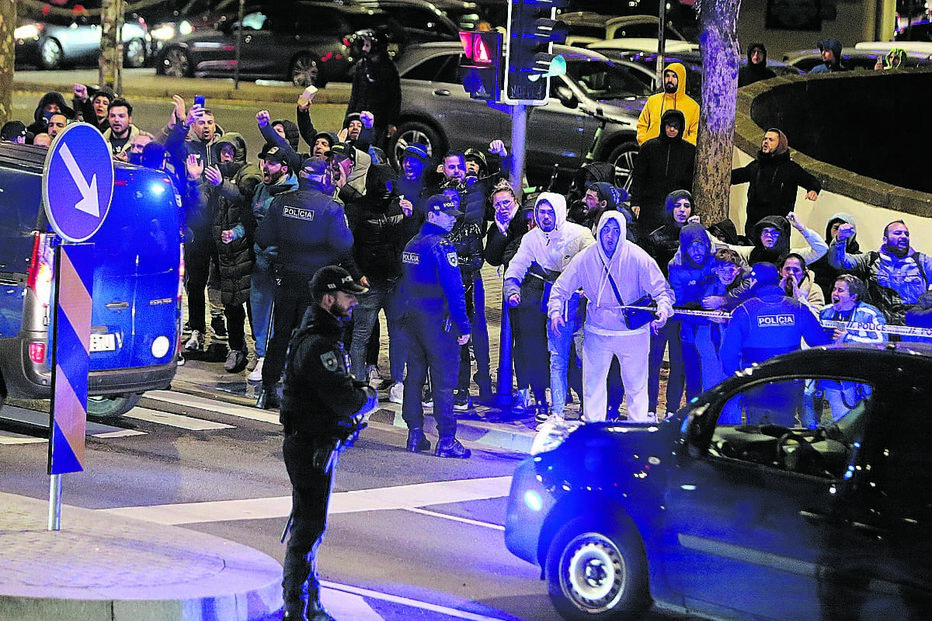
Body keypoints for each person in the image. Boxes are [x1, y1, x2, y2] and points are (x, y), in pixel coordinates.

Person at [279, 265, 376, 621]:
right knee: (309, 526)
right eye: (348, 297)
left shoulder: (322, 336)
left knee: (310, 523)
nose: (353, 303)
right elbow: (344, 397)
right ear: (328, 298)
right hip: (310, 446)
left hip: (315, 443)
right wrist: (367, 396)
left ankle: (309, 603)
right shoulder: (319, 344)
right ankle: (296, 606)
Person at [548, 211, 673, 423]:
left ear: (623, 232)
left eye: (616, 231)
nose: (610, 236)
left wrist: (663, 310)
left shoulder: (638, 257)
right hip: (597, 331)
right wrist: (555, 311)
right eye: (606, 230)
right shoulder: (586, 257)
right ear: (599, 231)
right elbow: (561, 287)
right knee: (593, 385)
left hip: (632, 333)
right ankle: (593, 429)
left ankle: (638, 430)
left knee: (636, 386)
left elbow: (662, 291)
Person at [255, 158, 355, 409]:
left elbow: (263, 237)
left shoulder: (281, 202)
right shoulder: (331, 208)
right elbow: (343, 244)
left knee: (280, 333)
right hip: (317, 283)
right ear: (322, 179)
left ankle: (268, 387)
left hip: (287, 276)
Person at [504, 192, 594, 422]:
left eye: (550, 211)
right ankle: (548, 405)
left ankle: (586, 401)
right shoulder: (532, 238)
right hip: (543, 297)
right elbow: (518, 264)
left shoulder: (580, 234)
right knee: (546, 354)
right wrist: (512, 289)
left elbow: (595, 262)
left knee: (574, 357)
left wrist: (585, 287)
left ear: (560, 212)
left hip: (573, 301)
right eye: (541, 212)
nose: (545, 216)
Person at [398, 194, 472, 459]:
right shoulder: (442, 247)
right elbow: (454, 291)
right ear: (432, 215)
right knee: (443, 380)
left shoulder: (412, 244)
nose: (453, 219)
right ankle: (447, 439)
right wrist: (463, 326)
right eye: (448, 215)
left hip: (412, 316)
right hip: (437, 321)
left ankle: (415, 433)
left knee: (415, 376)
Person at [719, 263, 831, 426]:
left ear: (754, 282)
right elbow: (820, 342)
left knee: (757, 436)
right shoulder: (797, 307)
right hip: (789, 381)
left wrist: (738, 379)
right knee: (782, 433)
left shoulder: (744, 310)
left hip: (755, 382)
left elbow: (728, 353)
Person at [808, 274, 885, 425]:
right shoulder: (826, 312)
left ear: (854, 296)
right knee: (842, 421)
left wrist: (849, 338)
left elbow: (882, 342)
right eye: (834, 289)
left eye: (841, 290)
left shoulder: (870, 314)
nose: (834, 293)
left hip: (863, 376)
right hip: (835, 376)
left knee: (867, 421)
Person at [828, 219, 932, 325]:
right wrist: (840, 239)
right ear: (885, 239)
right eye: (897, 233)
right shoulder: (870, 259)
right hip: (878, 328)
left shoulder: (922, 262)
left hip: (912, 332)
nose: (904, 236)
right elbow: (838, 262)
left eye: (906, 234)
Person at [731, 128, 821, 237]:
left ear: (780, 144)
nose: (766, 142)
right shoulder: (757, 165)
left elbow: (811, 181)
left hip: (777, 228)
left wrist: (813, 190)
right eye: (765, 139)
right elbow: (739, 175)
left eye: (770, 140)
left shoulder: (790, 168)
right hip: (754, 226)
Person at [629, 109, 696, 235]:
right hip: (649, 206)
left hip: (676, 208)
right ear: (663, 126)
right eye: (669, 126)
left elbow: (690, 182)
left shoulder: (690, 151)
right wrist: (635, 202)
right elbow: (638, 176)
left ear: (681, 128)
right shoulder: (649, 147)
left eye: (676, 126)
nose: (672, 130)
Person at [345, 27, 400, 150]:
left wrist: (392, 122)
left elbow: (395, 97)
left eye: (367, 45)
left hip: (379, 121)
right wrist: (348, 119)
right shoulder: (361, 66)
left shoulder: (388, 69)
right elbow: (355, 95)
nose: (364, 48)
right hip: (360, 116)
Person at [636, 62, 700, 145]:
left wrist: (684, 150)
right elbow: (642, 125)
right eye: (667, 76)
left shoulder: (693, 107)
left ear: (681, 78)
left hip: (678, 154)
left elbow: (694, 134)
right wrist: (645, 144)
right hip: (653, 152)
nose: (670, 80)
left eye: (674, 76)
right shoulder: (653, 101)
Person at [811, 212, 860, 299]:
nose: (839, 232)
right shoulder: (819, 251)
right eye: (836, 228)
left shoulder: (858, 259)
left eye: (845, 230)